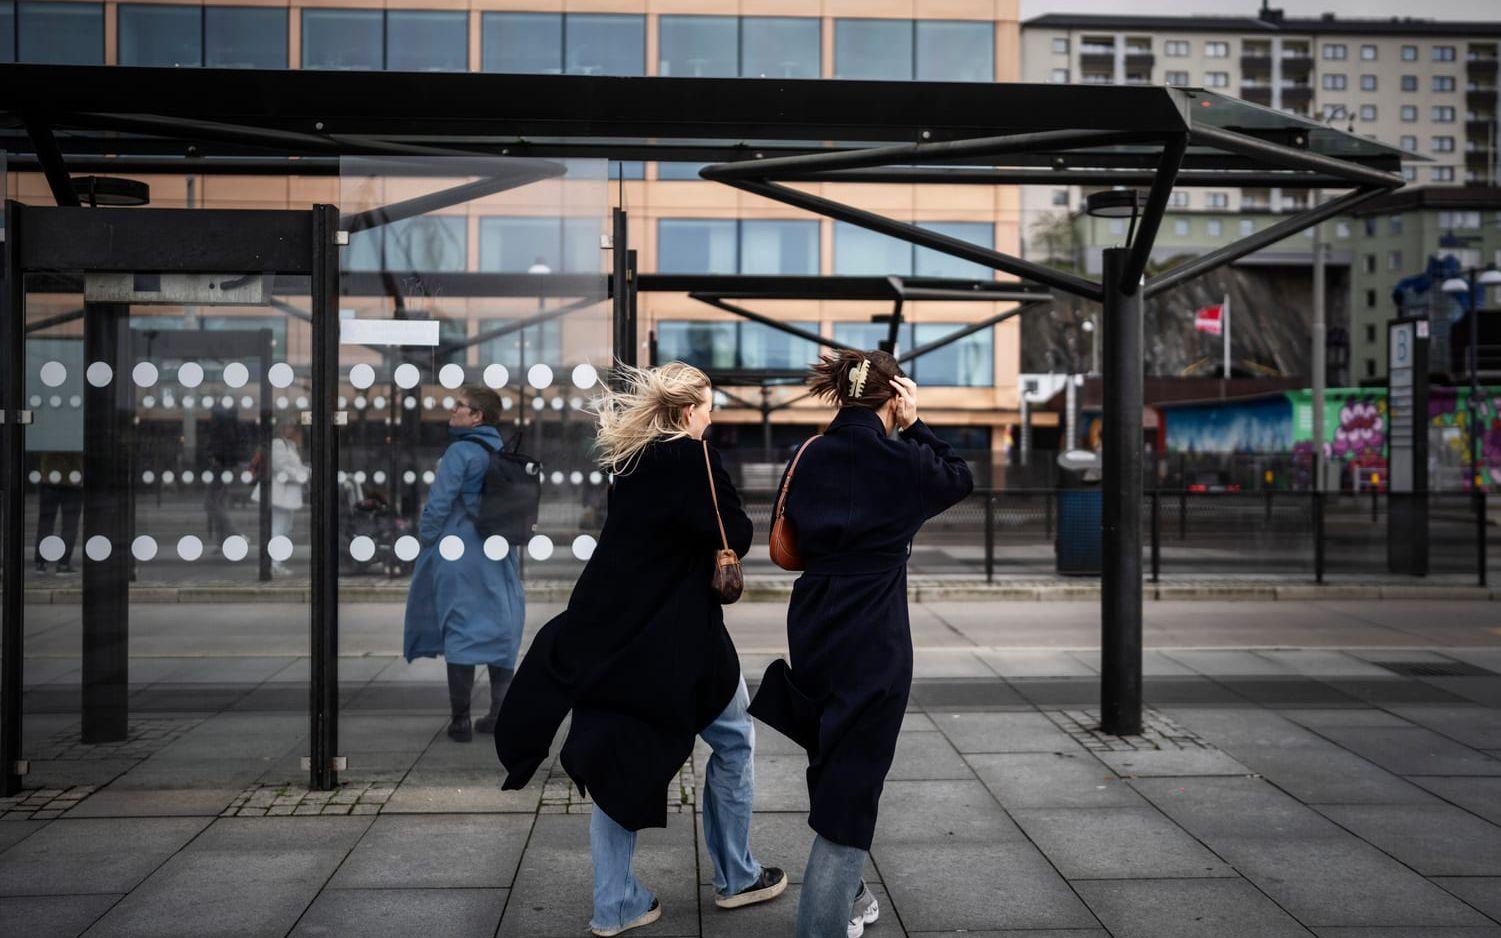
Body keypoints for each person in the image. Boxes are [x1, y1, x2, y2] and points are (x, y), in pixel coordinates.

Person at [496, 362, 786, 937]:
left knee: (614, 755)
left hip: (614, 638)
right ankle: (736, 876)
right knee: (732, 742)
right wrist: (712, 466)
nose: (713, 414)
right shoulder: (693, 459)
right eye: (706, 405)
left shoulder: (633, 465)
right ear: (685, 412)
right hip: (682, 642)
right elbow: (738, 535)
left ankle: (616, 903)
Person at [749, 350, 973, 938]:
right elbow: (960, 476)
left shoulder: (810, 453)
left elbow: (786, 525)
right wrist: (916, 422)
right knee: (852, 788)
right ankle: (820, 923)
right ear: (893, 396)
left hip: (814, 622)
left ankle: (853, 897)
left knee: (832, 755)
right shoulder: (905, 462)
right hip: (874, 633)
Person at [403, 387, 526, 742]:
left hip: (461, 549)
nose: (452, 411)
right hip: (497, 549)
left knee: (462, 625)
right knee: (500, 625)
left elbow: (439, 503)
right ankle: (498, 712)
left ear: (477, 417)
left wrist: (427, 538)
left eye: (460, 406)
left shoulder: (460, 451)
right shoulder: (502, 449)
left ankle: (460, 719)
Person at [251, 423, 307, 575]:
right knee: (278, 529)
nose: (293, 430)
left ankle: (276, 562)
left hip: (287, 493)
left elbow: (294, 466)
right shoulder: (277, 444)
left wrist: (304, 472)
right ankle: (273, 563)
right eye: (290, 427)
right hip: (279, 493)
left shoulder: (290, 445)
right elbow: (280, 466)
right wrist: (301, 476)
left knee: (285, 529)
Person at [34, 452, 83, 574]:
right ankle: (63, 563)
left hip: (49, 479)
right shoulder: (75, 434)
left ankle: (41, 562)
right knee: (69, 526)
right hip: (73, 480)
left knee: (45, 524)